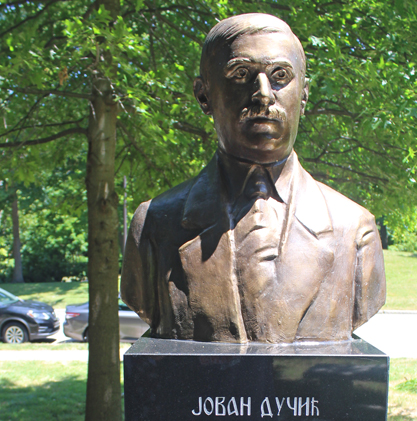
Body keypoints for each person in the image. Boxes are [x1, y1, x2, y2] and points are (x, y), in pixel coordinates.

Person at [121, 13, 385, 343]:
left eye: (280, 76)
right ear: (204, 95)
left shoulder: (355, 230)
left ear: (303, 96)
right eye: (241, 74)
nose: (263, 94)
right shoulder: (154, 226)